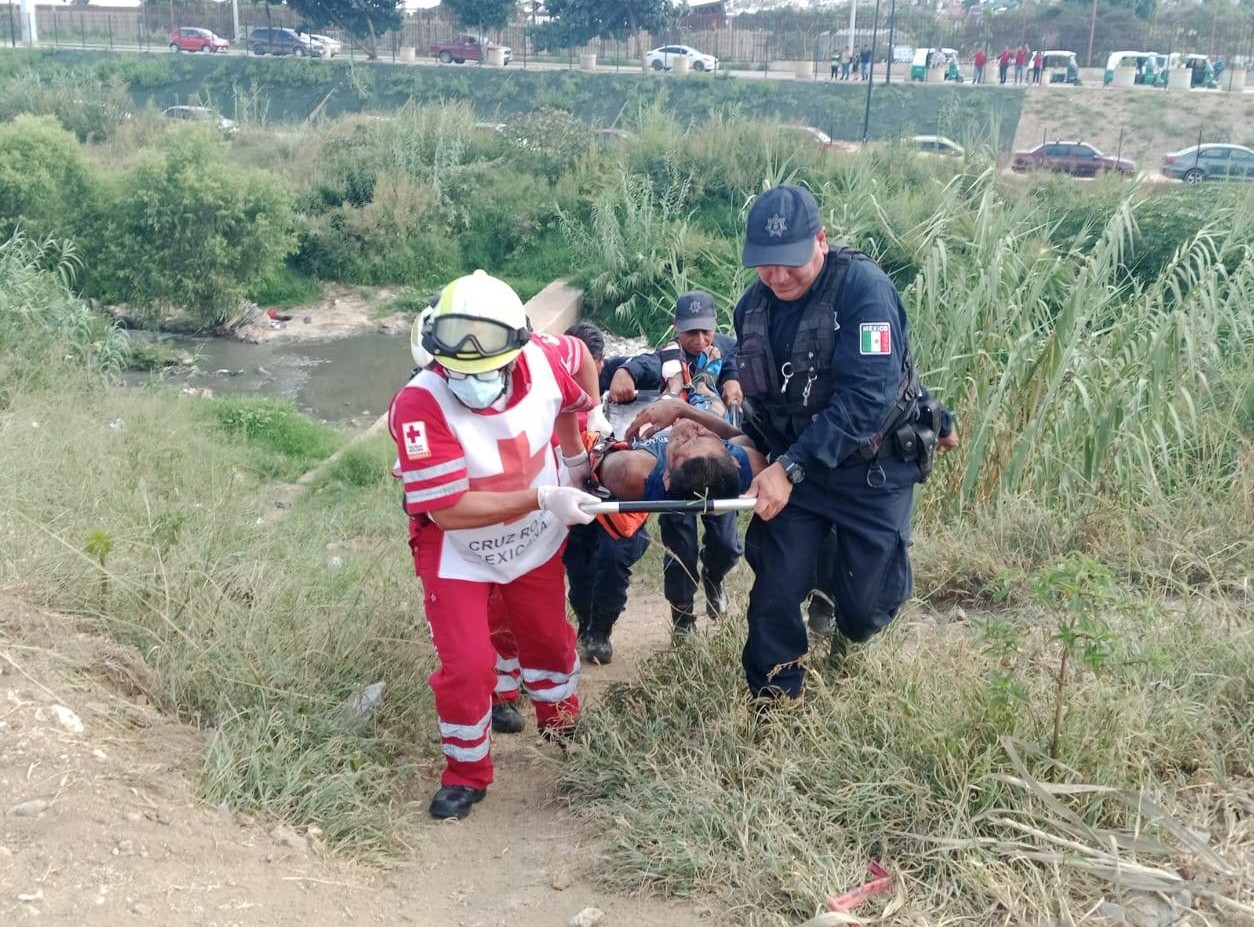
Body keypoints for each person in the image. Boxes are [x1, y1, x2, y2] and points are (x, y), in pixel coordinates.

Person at [731, 185, 958, 704]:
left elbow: (867, 399)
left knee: (864, 611)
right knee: (775, 589)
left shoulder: (864, 291)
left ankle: (838, 585)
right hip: (801, 475)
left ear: (821, 240)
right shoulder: (753, 308)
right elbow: (762, 399)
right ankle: (774, 703)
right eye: (765, 265)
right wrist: (763, 453)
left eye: (790, 261)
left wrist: (789, 467)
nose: (779, 276)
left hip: (870, 470)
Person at [389, 270, 602, 820]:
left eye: (484, 370)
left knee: (550, 642)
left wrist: (577, 456)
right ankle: (466, 771)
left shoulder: (545, 358)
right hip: (456, 547)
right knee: (468, 665)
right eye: (456, 370)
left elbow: (575, 376)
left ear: (515, 350)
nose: (471, 382)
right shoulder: (419, 405)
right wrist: (542, 497)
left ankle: (562, 728)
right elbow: (449, 510)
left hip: (532, 541)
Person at [649, 291, 745, 633]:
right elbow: (639, 367)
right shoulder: (668, 358)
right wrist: (624, 376)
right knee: (680, 545)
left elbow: (740, 364)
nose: (700, 339)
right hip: (679, 460)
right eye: (691, 332)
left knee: (726, 544)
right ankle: (683, 617)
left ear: (714, 326)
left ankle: (714, 577)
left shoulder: (729, 347)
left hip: (717, 462)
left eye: (706, 331)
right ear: (676, 327)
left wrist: (733, 383)